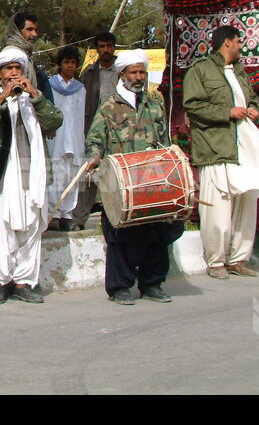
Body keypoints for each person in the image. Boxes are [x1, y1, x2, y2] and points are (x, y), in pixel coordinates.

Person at [86, 49, 183, 305]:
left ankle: (152, 283)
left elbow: (164, 141)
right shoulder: (109, 104)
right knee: (119, 236)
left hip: (151, 181)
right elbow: (95, 139)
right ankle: (119, 287)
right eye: (134, 72)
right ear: (122, 74)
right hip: (119, 183)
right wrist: (94, 158)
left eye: (142, 72)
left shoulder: (154, 104)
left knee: (156, 232)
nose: (139, 76)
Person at [183, 26, 259, 279]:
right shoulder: (200, 70)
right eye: (238, 41)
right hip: (216, 147)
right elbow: (192, 106)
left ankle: (238, 259)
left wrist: (253, 108)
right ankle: (216, 262)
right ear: (227, 43)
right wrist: (227, 113)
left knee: (247, 204)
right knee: (218, 209)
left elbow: (251, 99)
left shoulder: (240, 72)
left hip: (243, 147)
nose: (240, 46)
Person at [0, 48, 62, 305]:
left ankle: (24, 282)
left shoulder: (33, 100)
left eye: (17, 68)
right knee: (3, 230)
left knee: (32, 229)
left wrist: (35, 95)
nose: (14, 73)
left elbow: (55, 122)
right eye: (8, 69)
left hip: (32, 175)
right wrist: (2, 99)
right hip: (4, 177)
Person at [74, 30, 118, 228]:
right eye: (102, 46)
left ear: (114, 47)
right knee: (89, 176)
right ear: (97, 49)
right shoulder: (89, 73)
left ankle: (118, 219)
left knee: (117, 177)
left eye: (109, 46)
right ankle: (78, 220)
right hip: (94, 129)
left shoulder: (123, 71)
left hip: (119, 131)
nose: (106, 50)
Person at [47, 47, 86, 232]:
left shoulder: (80, 89)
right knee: (55, 174)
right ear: (60, 64)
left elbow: (80, 116)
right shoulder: (49, 85)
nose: (70, 66)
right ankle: (53, 214)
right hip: (56, 138)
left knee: (71, 175)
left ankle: (67, 215)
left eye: (73, 62)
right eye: (66, 62)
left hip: (74, 137)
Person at [0, 11, 54, 102]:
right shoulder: (9, 55)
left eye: (36, 30)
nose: (34, 34)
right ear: (17, 31)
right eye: (29, 29)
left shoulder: (26, 55)